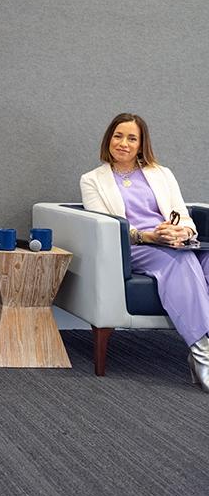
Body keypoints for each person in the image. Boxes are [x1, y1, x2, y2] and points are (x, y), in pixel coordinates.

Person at [81, 112, 209, 391]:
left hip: (170, 241)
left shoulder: (161, 174)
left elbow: (183, 215)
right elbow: (109, 225)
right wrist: (149, 236)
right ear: (109, 139)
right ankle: (202, 354)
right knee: (181, 261)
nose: (123, 143)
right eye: (118, 136)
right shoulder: (92, 180)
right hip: (135, 246)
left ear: (141, 144)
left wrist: (182, 232)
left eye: (132, 138)